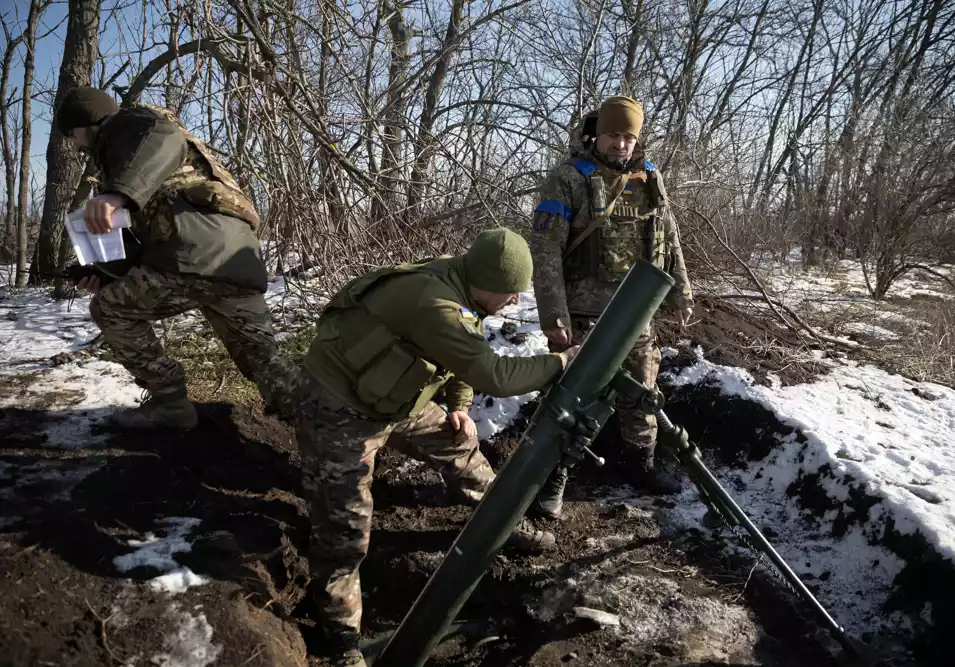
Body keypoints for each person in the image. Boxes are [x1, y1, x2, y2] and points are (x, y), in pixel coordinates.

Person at [296, 228, 579, 666]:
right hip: (340, 408)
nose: (514, 302)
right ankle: (341, 638)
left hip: (397, 397)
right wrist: (561, 362)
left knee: (460, 448)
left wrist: (460, 406)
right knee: (345, 529)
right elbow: (496, 375)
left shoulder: (463, 282)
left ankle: (502, 522)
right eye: (510, 292)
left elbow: (464, 347)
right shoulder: (434, 300)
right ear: (486, 280)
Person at [54, 86, 299, 429]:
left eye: (73, 134)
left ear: (87, 123)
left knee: (109, 310)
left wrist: (116, 195)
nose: (76, 145)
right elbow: (149, 247)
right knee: (265, 362)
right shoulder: (132, 158)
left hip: (192, 259)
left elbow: (165, 136)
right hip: (236, 263)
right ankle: (338, 428)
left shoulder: (131, 125)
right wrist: (102, 276)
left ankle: (171, 405)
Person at [529, 95, 696, 519]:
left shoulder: (650, 178)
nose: (620, 144)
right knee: (570, 401)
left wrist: (681, 293)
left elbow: (668, 237)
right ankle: (549, 480)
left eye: (628, 136)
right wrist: (554, 315)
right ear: (596, 134)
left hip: (638, 312)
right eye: (612, 135)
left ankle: (638, 464)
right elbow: (546, 251)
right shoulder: (568, 179)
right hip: (584, 317)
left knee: (642, 393)